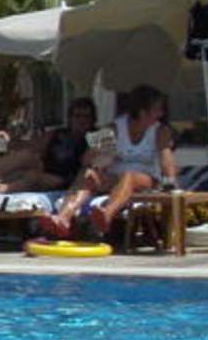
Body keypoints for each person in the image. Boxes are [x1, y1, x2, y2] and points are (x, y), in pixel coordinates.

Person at [45, 85, 177, 239]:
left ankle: (106, 215)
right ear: (143, 112)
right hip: (115, 179)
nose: (161, 114)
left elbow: (167, 162)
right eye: (157, 110)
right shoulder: (113, 128)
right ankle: (63, 218)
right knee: (88, 174)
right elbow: (86, 160)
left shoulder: (160, 131)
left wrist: (170, 181)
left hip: (146, 179)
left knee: (129, 176)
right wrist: (101, 156)